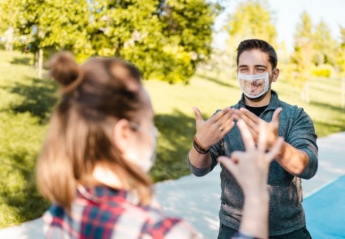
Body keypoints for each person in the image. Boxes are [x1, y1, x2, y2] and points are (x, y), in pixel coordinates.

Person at [36, 52, 284, 239]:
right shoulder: (159, 231)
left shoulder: (60, 211)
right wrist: (256, 196)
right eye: (149, 121)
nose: (154, 132)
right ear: (124, 134)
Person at [188, 39, 318, 239]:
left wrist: (276, 146)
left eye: (259, 69)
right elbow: (198, 169)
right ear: (237, 73)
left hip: (289, 230)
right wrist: (200, 144)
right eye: (244, 69)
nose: (251, 77)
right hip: (235, 228)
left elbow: (309, 167)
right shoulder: (224, 118)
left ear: (274, 74)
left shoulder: (295, 116)